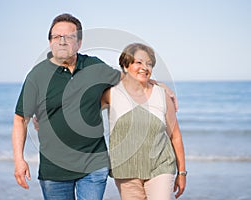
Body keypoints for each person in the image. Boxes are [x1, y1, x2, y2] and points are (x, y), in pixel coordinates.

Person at [12, 13, 178, 200]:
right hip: (54, 171)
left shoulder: (94, 66)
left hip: (93, 166)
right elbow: (20, 119)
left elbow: (129, 81)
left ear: (79, 43)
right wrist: (19, 160)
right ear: (50, 42)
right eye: (57, 36)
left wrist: (158, 85)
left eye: (69, 37)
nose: (63, 41)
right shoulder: (37, 75)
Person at [101, 43, 186, 200]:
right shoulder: (111, 94)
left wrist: (182, 172)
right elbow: (83, 109)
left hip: (161, 167)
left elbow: (176, 136)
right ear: (126, 66)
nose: (145, 67)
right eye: (138, 62)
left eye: (149, 64)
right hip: (125, 170)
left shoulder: (162, 95)